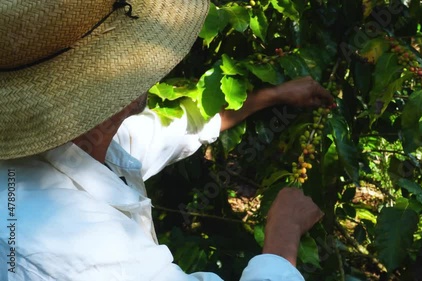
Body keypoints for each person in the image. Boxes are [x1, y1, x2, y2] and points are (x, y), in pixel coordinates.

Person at [0, 0, 332, 280]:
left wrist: (270, 96)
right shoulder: (79, 242)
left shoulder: (78, 144)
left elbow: (174, 129)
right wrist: (283, 235)